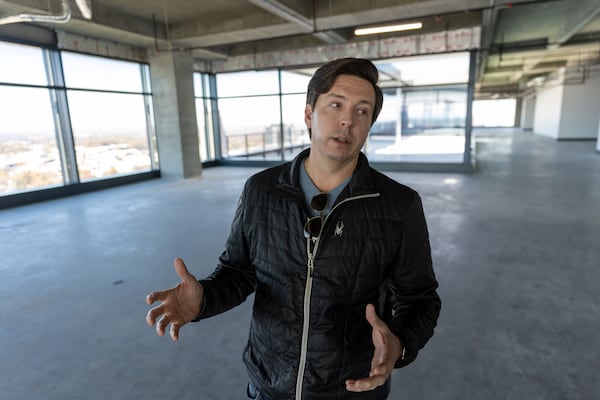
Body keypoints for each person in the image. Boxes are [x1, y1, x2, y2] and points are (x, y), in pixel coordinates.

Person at [146, 57, 441, 400]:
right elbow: (239, 271)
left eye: (363, 111)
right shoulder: (261, 190)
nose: (347, 119)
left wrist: (400, 346)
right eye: (335, 105)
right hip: (269, 384)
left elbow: (420, 298)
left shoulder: (398, 205)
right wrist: (204, 300)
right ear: (308, 115)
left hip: (351, 390)